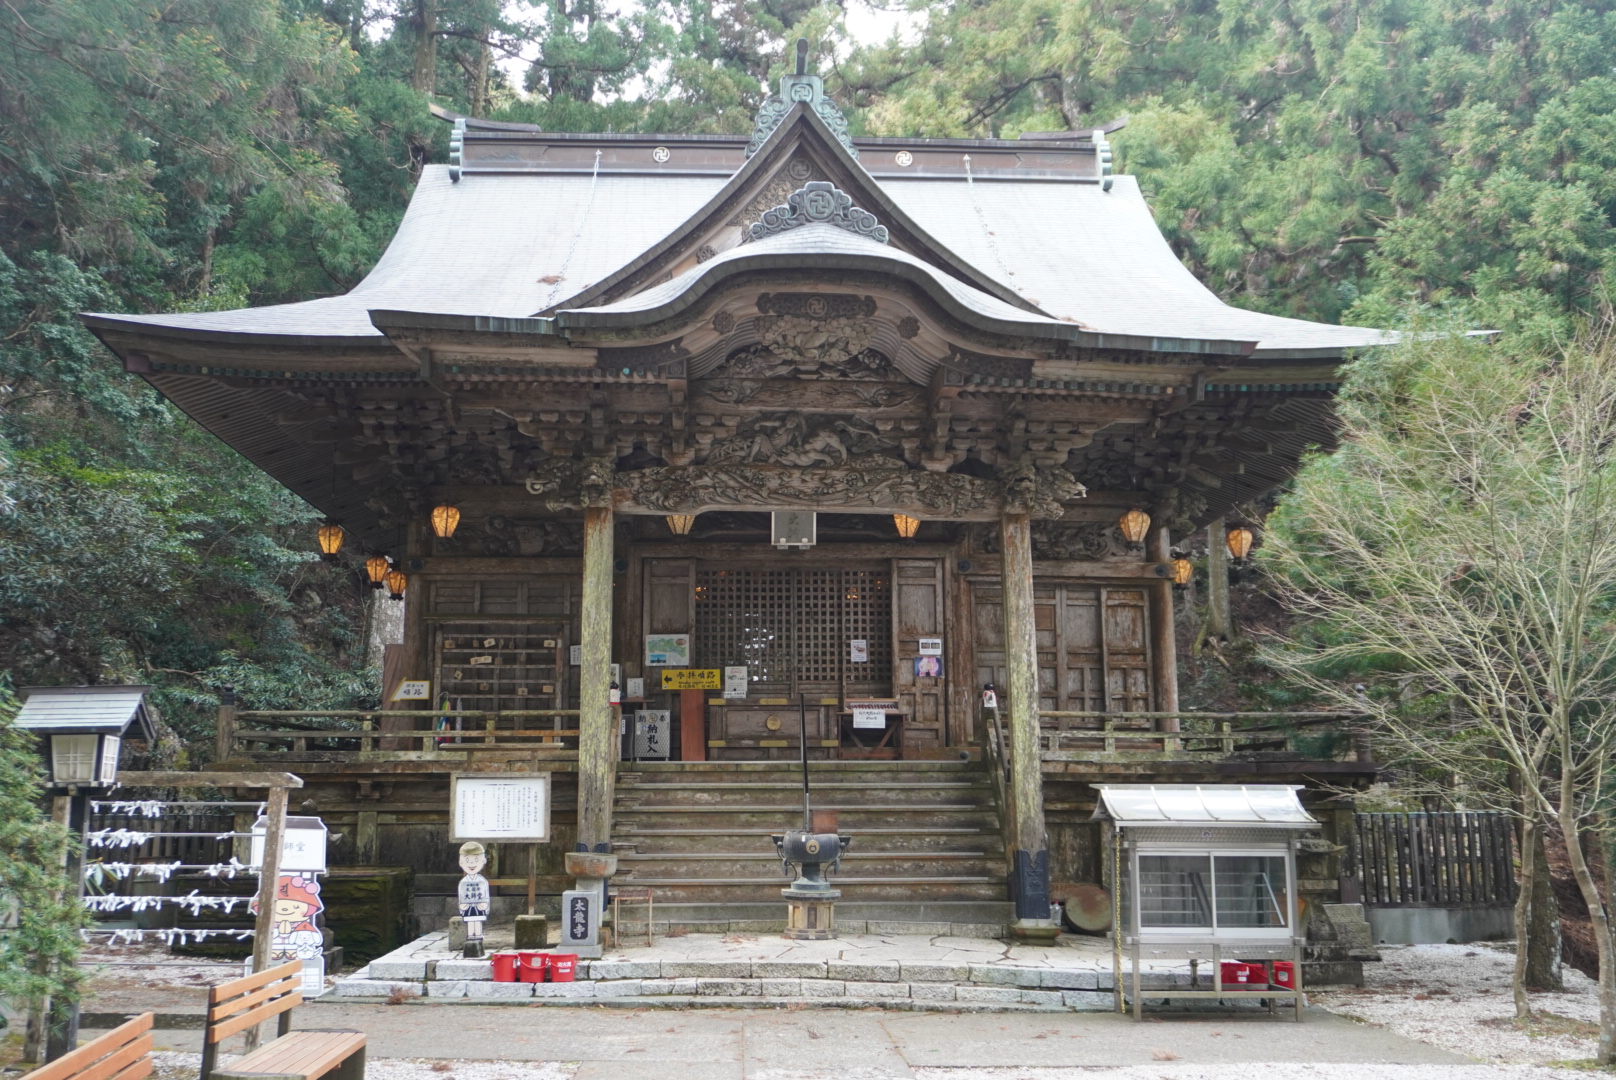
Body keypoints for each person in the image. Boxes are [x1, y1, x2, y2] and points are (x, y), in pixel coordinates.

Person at [457, 841, 491, 957]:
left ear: (483, 860)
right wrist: (461, 906)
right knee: (470, 921)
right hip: (468, 906)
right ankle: (471, 936)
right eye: (467, 860)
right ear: (461, 862)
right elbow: (461, 895)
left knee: (477, 921)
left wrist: (485, 905)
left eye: (476, 859)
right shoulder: (463, 882)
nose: (471, 863)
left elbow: (486, 895)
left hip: (479, 906)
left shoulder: (482, 881)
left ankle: (478, 936)